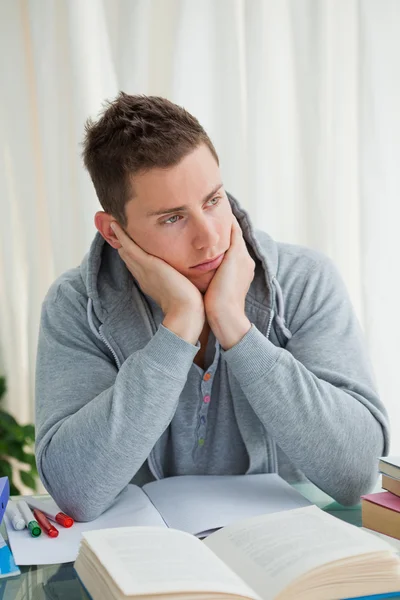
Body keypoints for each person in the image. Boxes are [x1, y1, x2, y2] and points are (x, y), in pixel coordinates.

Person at [35, 92, 389, 522]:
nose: (210, 238)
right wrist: (179, 326)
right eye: (172, 218)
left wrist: (234, 326)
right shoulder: (75, 305)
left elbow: (356, 475)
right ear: (113, 232)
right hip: (148, 570)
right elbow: (77, 492)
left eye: (213, 201)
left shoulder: (305, 280)